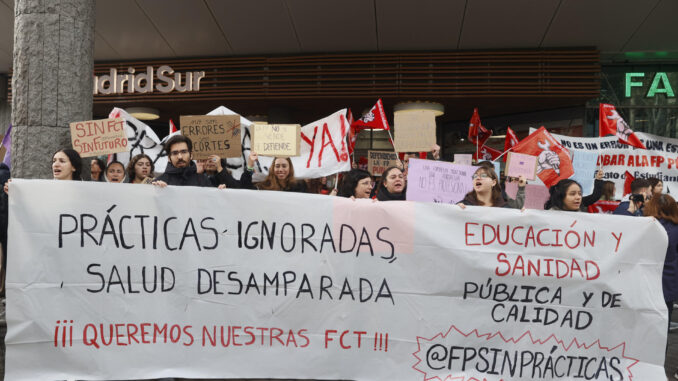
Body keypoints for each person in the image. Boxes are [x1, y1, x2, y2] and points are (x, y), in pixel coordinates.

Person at [643, 194, 678, 342]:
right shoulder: (675, 228)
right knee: (662, 328)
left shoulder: (644, 228)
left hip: (645, 283)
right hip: (668, 285)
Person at [153, 135, 247, 188]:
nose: (180, 156)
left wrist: (220, 195)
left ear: (191, 155)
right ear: (169, 158)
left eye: (184, 152)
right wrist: (157, 192)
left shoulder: (203, 180)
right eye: (175, 153)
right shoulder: (159, 182)